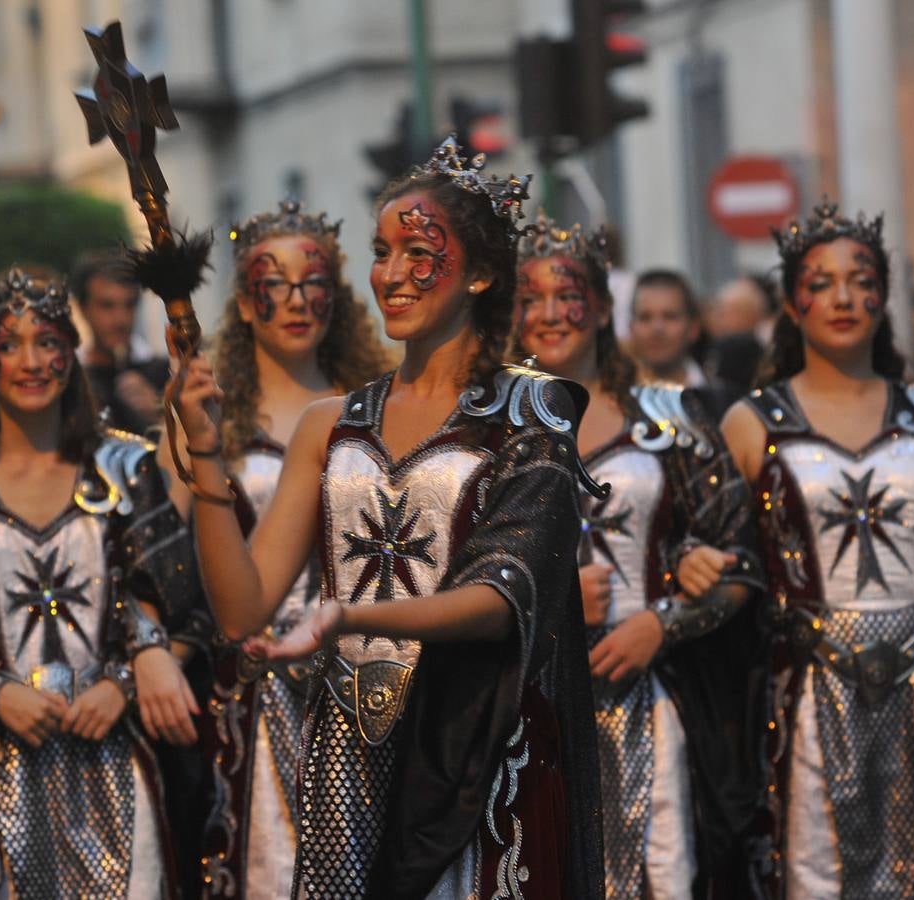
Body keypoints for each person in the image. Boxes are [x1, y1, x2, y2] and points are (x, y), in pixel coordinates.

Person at [165, 137, 603, 898]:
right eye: (380, 251)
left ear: (482, 273)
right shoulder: (329, 425)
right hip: (346, 760)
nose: (391, 275)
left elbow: (502, 601)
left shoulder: (533, 417)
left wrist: (353, 617)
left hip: (476, 748)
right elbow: (240, 607)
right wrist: (204, 453)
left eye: (418, 251)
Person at [0, 266, 204, 898]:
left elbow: (186, 613)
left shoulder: (123, 468)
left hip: (116, 767)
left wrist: (125, 681)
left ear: (70, 350)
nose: (30, 362)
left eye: (48, 342)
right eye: (9, 345)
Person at [721, 200, 914, 898]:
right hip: (809, 687)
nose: (842, 296)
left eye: (859, 277)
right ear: (790, 301)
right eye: (820, 280)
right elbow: (722, 549)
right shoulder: (751, 425)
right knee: (820, 876)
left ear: (883, 294)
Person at [513, 212, 763, 898]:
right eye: (527, 299)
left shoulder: (669, 418)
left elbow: (743, 559)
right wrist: (549, 599)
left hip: (654, 703)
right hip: (523, 710)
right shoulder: (482, 429)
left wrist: (664, 620)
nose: (548, 314)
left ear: (597, 306)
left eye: (565, 296)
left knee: (664, 875)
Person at [197, 199, 389, 899]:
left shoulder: (381, 406)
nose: (295, 300)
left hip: (368, 672)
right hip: (252, 686)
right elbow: (162, 564)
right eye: (270, 285)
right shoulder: (203, 416)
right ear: (245, 304)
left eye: (312, 282)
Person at [73, 249, 170, 433]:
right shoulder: (71, 379)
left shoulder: (165, 373)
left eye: (130, 304)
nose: (120, 319)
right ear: (83, 309)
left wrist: (159, 412)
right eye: (107, 306)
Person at [629, 269, 706, 386]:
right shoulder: (605, 400)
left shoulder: (723, 400)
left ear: (693, 329)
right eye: (645, 318)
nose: (657, 328)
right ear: (631, 329)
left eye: (670, 317)